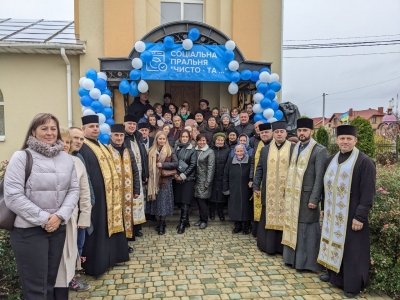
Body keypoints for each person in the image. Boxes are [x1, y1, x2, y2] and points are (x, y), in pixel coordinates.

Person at [4, 113, 79, 299]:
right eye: (44, 128)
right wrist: (45, 218)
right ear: (33, 132)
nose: (50, 133)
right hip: (28, 231)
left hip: (57, 230)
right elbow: (13, 196)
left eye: (53, 128)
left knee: (49, 285)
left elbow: (73, 191)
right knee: (35, 290)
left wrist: (60, 216)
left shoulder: (66, 159)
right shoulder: (22, 157)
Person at [318, 125, 376, 298]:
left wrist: (360, 216)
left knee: (352, 250)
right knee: (332, 243)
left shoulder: (364, 162)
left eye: (348, 139)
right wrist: (323, 207)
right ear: (336, 140)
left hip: (352, 215)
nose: (345, 142)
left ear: (355, 141)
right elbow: (325, 186)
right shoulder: (331, 160)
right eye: (342, 138)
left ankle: (351, 286)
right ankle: (334, 277)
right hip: (332, 213)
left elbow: (368, 192)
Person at [79, 115, 129, 276]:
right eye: (91, 126)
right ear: (83, 129)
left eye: (96, 126)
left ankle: (111, 257)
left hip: (109, 196)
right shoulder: (83, 148)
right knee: (98, 228)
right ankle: (97, 264)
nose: (95, 128)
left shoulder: (101, 145)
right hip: (97, 198)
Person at [281, 118, 327, 272]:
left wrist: (315, 198)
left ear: (311, 132)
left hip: (307, 198)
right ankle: (291, 260)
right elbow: (290, 170)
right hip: (293, 195)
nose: (302, 133)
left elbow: (320, 177)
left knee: (307, 229)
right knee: (293, 226)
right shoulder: (296, 148)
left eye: (305, 130)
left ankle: (307, 264)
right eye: (299, 130)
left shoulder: (319, 150)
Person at [55, 129, 91, 296]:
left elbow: (84, 193)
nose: (65, 145)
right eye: (62, 141)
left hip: (72, 216)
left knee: (72, 251)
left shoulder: (76, 162)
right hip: (50, 218)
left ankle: (69, 280)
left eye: (68, 142)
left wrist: (84, 217)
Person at [253, 121, 295, 255]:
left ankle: (282, 248)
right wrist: (256, 185)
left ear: (286, 133)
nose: (279, 134)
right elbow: (259, 168)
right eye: (276, 132)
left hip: (285, 192)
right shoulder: (265, 150)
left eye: (281, 132)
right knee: (267, 215)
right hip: (269, 191)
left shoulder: (293, 148)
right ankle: (268, 246)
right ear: (273, 133)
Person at [68, 127, 95, 290]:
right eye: (75, 138)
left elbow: (86, 182)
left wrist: (90, 202)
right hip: (68, 213)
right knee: (70, 247)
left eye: (81, 139)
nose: (78, 141)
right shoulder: (62, 158)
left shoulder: (79, 157)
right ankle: (69, 278)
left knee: (78, 245)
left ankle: (72, 276)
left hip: (81, 211)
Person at [108, 124, 141, 252]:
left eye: (121, 135)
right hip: (112, 194)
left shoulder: (128, 151)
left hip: (127, 192)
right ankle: (115, 245)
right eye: (116, 135)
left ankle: (124, 244)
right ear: (111, 136)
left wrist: (136, 190)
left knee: (126, 218)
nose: (119, 138)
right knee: (115, 218)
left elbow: (135, 171)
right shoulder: (107, 151)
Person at [146, 131, 178, 235]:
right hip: (154, 181)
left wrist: (163, 165)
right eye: (160, 139)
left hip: (165, 180)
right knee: (157, 202)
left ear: (166, 140)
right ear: (156, 139)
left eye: (164, 139)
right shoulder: (151, 150)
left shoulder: (169, 150)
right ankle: (158, 221)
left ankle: (162, 223)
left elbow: (175, 164)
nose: (162, 141)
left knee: (163, 202)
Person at [124, 115, 148, 237]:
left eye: (134, 124)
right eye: (130, 124)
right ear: (124, 124)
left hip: (139, 174)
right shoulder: (122, 138)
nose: (132, 126)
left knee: (138, 202)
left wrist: (145, 174)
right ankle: (130, 231)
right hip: (128, 177)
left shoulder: (138, 137)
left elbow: (143, 157)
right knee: (129, 203)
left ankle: (137, 228)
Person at [223, 144, 254, 235]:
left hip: (246, 189)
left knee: (246, 208)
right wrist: (226, 189)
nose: (239, 153)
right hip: (234, 188)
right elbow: (225, 176)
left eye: (241, 151)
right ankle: (238, 225)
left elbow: (253, 173)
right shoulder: (230, 161)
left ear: (245, 151)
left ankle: (246, 226)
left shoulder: (249, 160)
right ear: (235, 152)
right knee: (235, 208)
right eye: (237, 151)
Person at [173, 130, 197, 234]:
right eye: (182, 136)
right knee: (180, 200)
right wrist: (175, 174)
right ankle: (186, 221)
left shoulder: (192, 149)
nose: (184, 138)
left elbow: (193, 164)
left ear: (189, 138)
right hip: (177, 177)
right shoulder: (176, 148)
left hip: (188, 179)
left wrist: (183, 176)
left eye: (186, 137)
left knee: (185, 201)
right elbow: (173, 162)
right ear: (180, 137)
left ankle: (182, 223)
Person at [252, 123, 273, 237]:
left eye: (266, 132)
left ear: (272, 133)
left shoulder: (276, 145)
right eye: (262, 132)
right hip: (260, 181)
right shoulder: (258, 144)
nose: (264, 134)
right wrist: (254, 180)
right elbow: (254, 164)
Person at [194, 134, 215, 229]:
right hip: (196, 179)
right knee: (198, 200)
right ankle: (201, 218)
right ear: (196, 141)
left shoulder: (210, 152)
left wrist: (208, 182)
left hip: (204, 180)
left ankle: (204, 220)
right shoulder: (195, 150)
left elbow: (211, 168)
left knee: (202, 201)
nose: (201, 142)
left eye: (203, 140)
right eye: (199, 141)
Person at [209, 132, 230, 221]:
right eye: (218, 140)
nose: (220, 142)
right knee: (212, 194)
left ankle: (220, 212)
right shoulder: (210, 149)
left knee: (221, 194)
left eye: (222, 140)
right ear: (215, 140)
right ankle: (212, 212)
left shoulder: (227, 150)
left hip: (222, 175)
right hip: (212, 175)